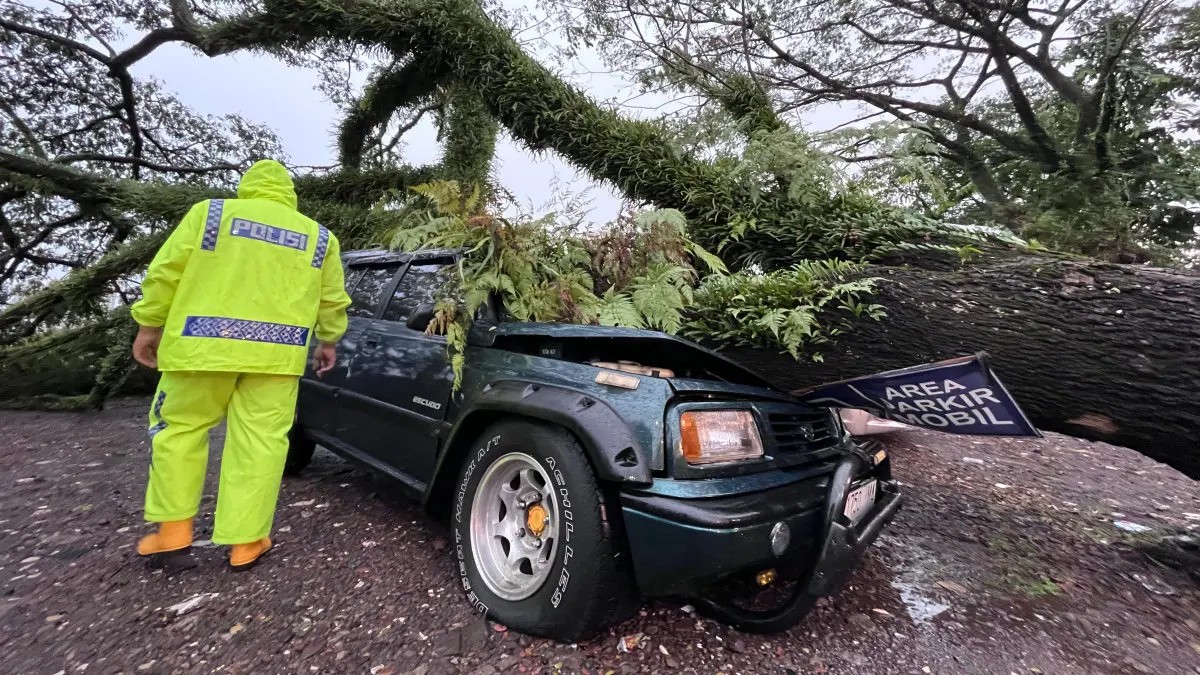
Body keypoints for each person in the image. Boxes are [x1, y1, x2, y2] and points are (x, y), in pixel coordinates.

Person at [129, 159, 351, 570]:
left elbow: (165, 274)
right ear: (290, 194)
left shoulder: (211, 213)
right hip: (275, 359)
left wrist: (149, 326)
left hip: (200, 350)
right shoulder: (319, 238)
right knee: (262, 443)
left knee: (179, 432)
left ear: (246, 187)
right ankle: (247, 543)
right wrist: (328, 341)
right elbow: (332, 299)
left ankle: (174, 534)